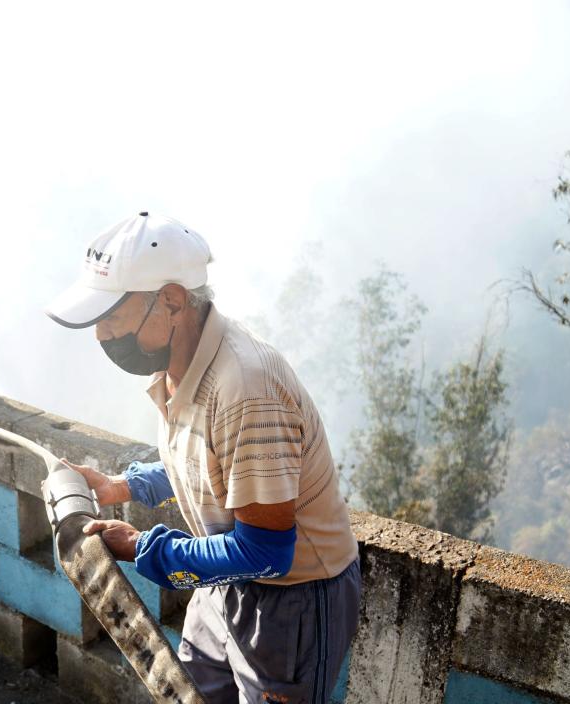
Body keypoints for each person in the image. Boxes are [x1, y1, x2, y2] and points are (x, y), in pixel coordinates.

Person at [45, 212, 360, 703]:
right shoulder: (178, 365)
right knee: (189, 693)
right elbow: (206, 463)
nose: (102, 336)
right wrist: (123, 487)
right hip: (221, 573)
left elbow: (267, 552)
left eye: (112, 317)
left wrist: (147, 550)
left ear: (170, 300)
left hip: (289, 598)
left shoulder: (243, 389)